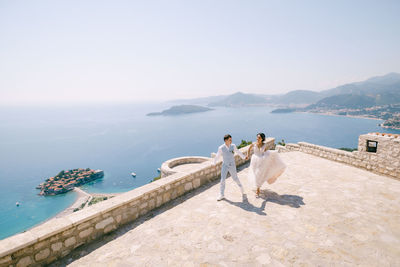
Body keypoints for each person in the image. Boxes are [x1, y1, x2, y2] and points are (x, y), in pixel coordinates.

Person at [246, 133, 286, 197]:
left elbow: (266, 152)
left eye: (259, 137)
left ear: (262, 138)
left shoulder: (264, 145)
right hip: (254, 161)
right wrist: (247, 155)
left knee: (258, 174)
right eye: (257, 137)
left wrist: (272, 156)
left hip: (261, 161)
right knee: (255, 173)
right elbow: (249, 149)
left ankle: (258, 189)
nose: (257, 138)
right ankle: (257, 186)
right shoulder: (254, 144)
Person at [212, 134, 246, 201]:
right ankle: (221, 194)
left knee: (235, 178)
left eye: (231, 139)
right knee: (222, 179)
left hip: (232, 165)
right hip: (225, 165)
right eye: (230, 140)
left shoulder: (233, 146)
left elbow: (238, 152)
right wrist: (214, 163)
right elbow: (217, 156)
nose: (231, 141)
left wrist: (244, 157)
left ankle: (241, 187)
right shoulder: (221, 148)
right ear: (226, 140)